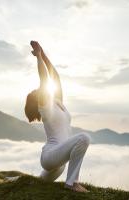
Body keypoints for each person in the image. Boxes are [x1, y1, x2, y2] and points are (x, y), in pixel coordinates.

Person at [24, 41, 91, 192]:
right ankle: (72, 184)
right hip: (50, 156)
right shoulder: (46, 108)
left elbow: (56, 77)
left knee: (38, 182)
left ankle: (14, 180)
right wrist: (38, 58)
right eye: (38, 91)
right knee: (84, 138)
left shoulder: (58, 103)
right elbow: (44, 80)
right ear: (39, 99)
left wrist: (43, 53)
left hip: (59, 163)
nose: (40, 90)